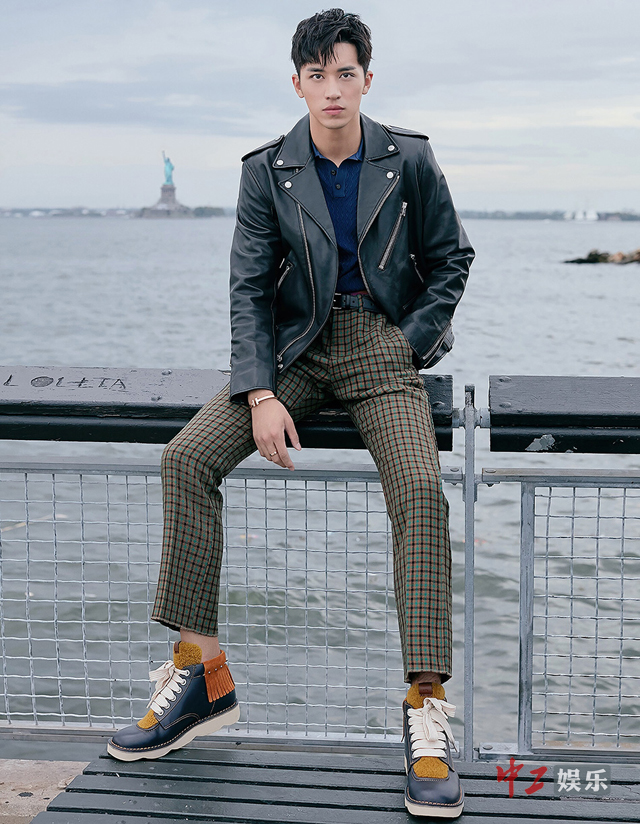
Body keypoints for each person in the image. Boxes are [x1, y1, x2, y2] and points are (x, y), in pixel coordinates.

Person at [108, 8, 474, 818]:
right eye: (318, 75)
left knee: (421, 492)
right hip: (295, 353)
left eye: (346, 73)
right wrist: (262, 392)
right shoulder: (267, 169)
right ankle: (203, 674)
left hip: (382, 350)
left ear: (367, 79)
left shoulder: (409, 158)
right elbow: (248, 287)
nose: (333, 89)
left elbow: (452, 258)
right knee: (187, 457)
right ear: (299, 83)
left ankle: (426, 711)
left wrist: (409, 343)